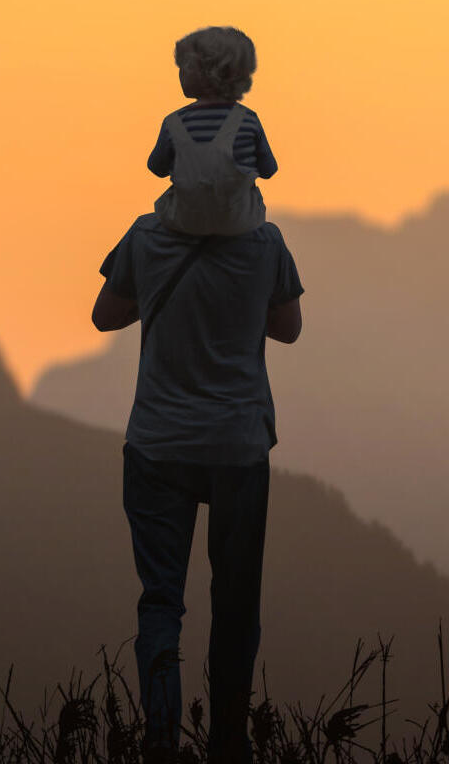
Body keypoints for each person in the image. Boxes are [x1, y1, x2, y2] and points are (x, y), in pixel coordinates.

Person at [91, 195, 304, 763]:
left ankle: (160, 742)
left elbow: (104, 315)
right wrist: (233, 302)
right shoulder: (266, 244)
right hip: (238, 446)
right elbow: (289, 328)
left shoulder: (144, 236)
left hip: (158, 444)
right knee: (235, 604)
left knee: (161, 602)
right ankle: (228, 745)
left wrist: (166, 291)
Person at [149, 26, 278, 236]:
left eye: (184, 66)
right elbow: (269, 170)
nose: (180, 73)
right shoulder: (248, 120)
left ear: (208, 72)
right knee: (275, 239)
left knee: (139, 229)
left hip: (183, 222)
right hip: (239, 223)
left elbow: (156, 168)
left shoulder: (173, 123)